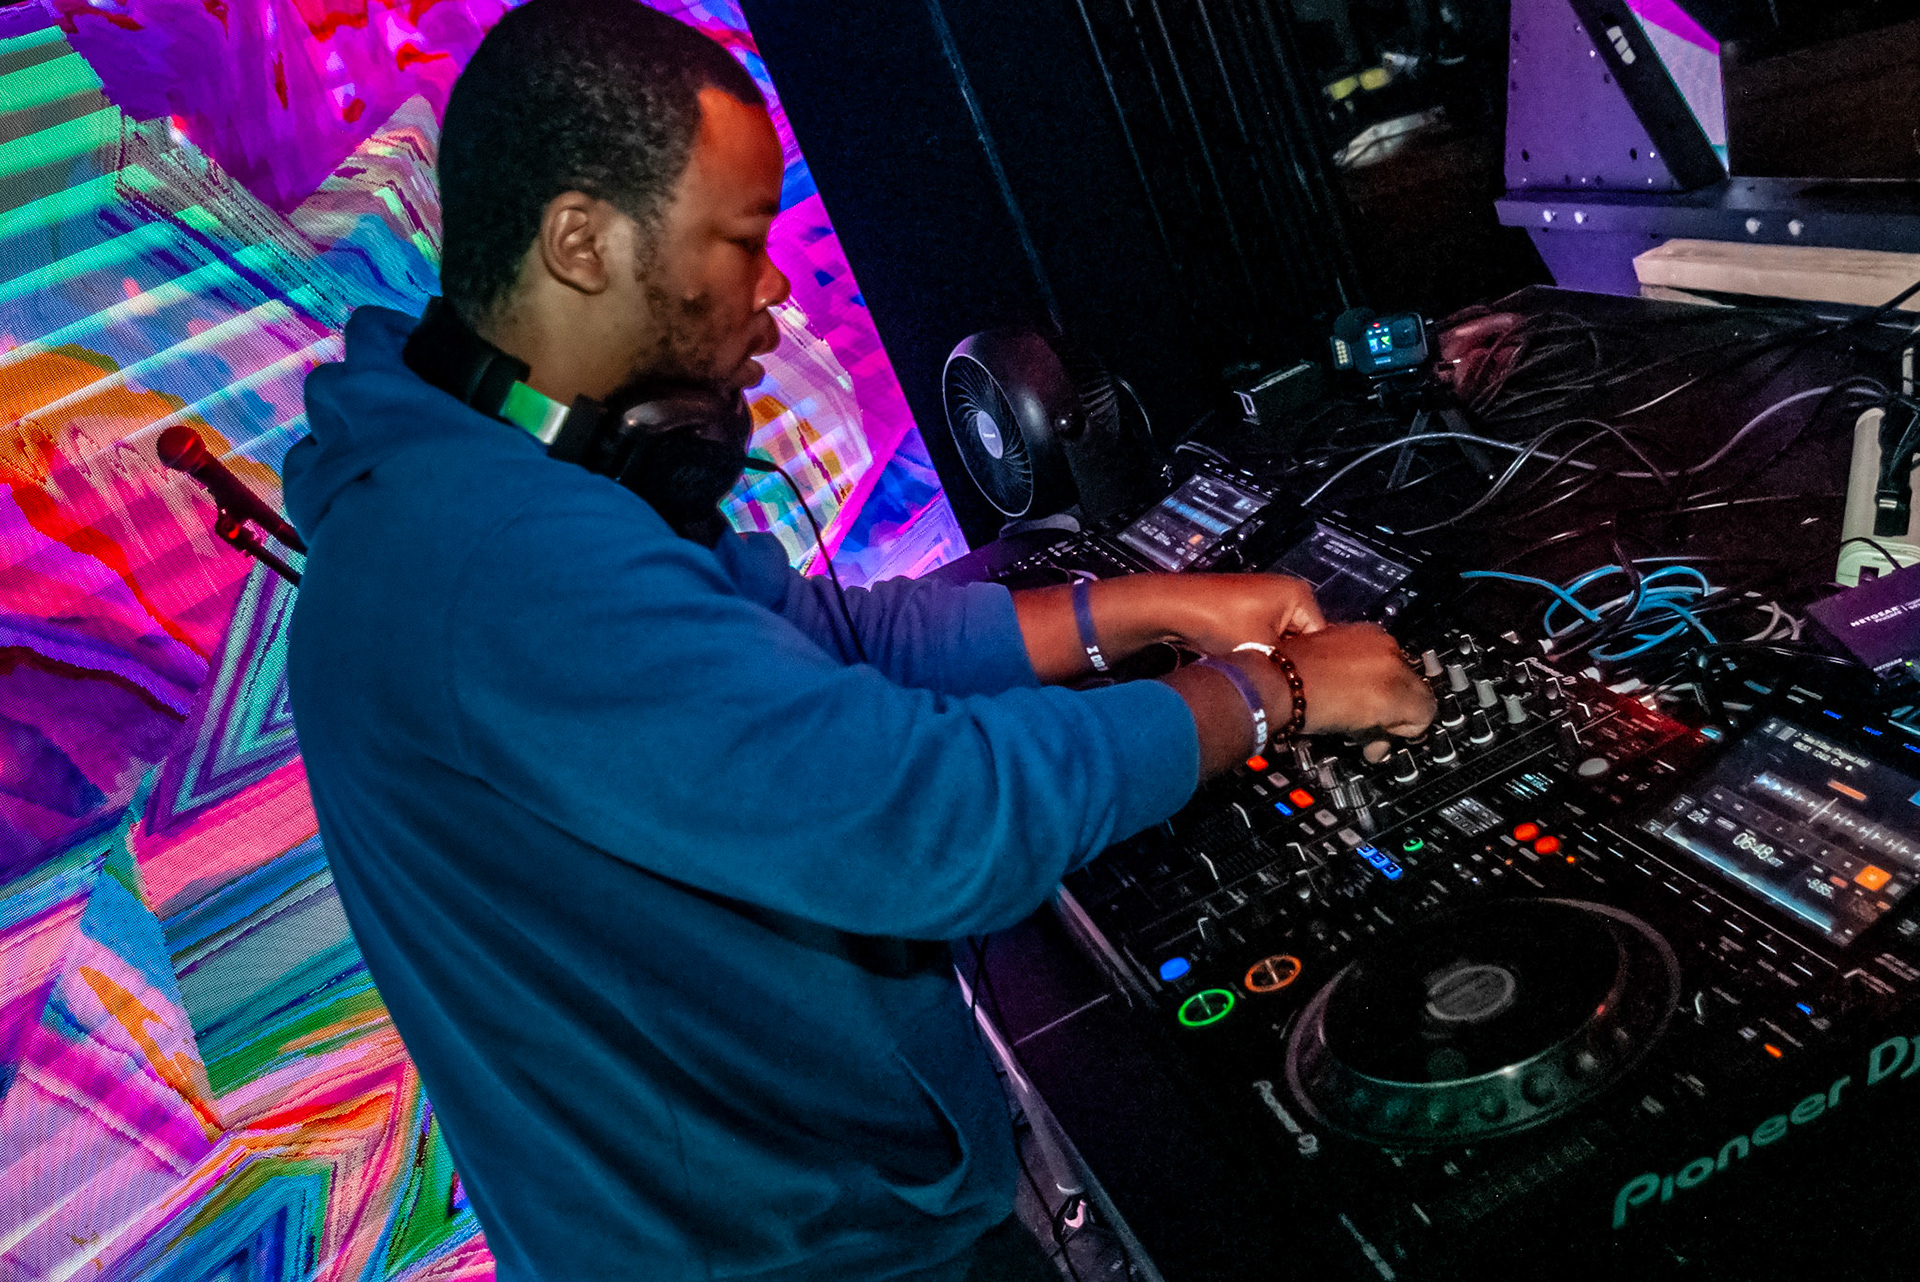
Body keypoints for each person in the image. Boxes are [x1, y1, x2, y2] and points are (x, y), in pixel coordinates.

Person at [281, 2, 1437, 1279]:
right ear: (582, 243)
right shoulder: (501, 567)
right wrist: (1270, 693)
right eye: (740, 239)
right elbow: (932, 823)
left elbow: (835, 634)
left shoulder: (483, 480)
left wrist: (1149, 606)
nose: (775, 284)